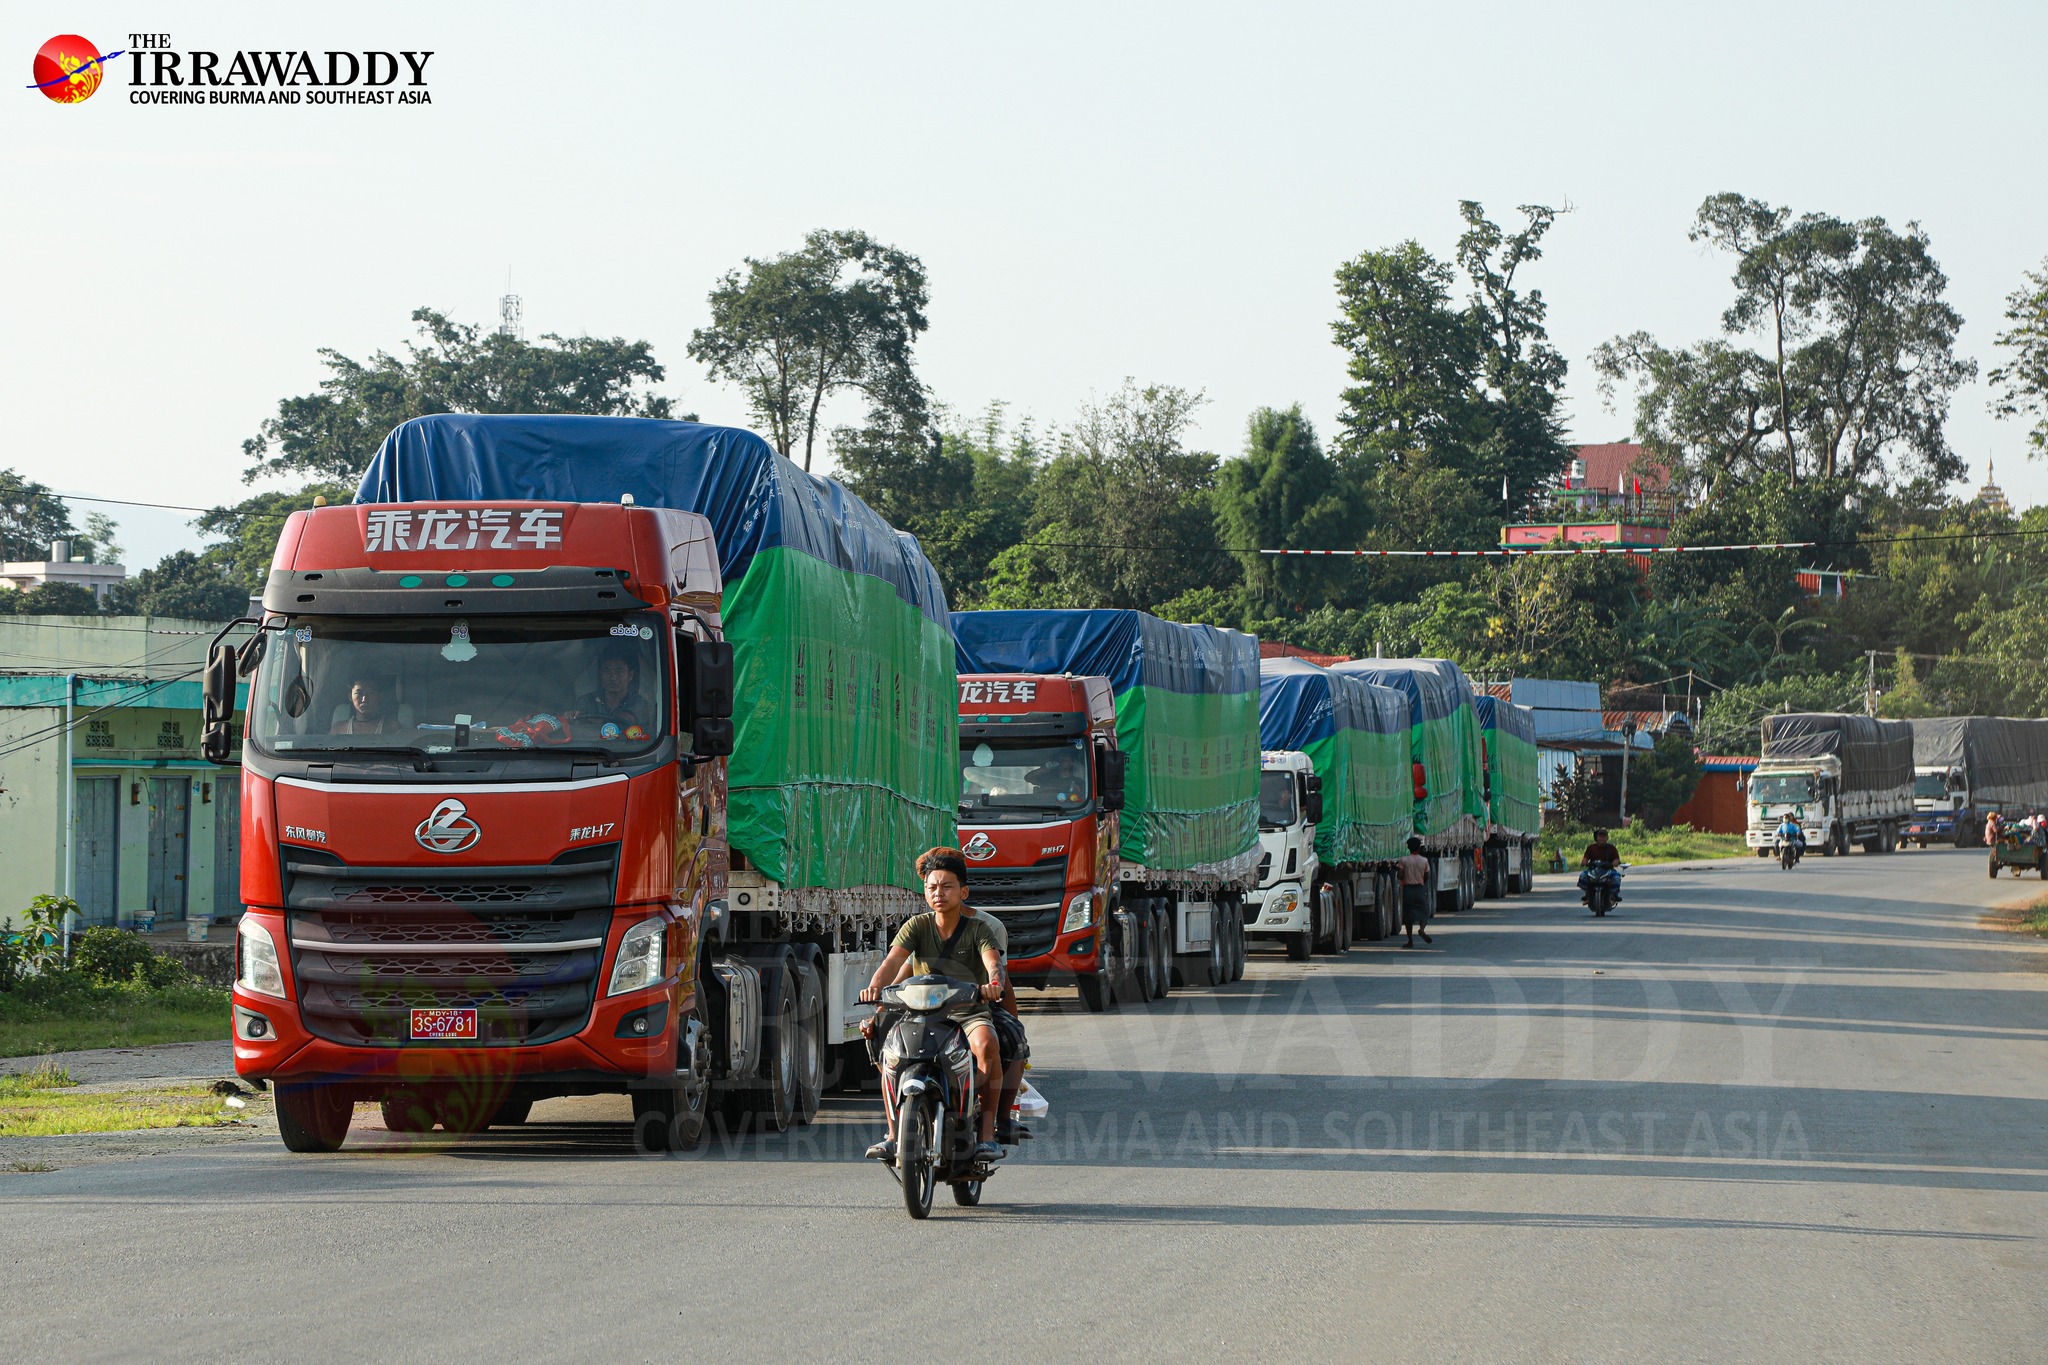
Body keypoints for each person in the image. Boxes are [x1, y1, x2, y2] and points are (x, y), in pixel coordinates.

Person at [859, 847, 1006, 1165]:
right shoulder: (916, 926)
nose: (938, 893)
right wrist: (875, 987)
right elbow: (892, 962)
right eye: (932, 887)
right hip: (919, 1013)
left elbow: (993, 962)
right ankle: (893, 1135)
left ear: (963, 892)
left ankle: (986, 1134)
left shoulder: (979, 929)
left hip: (967, 1012)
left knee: (987, 1043)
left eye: (946, 886)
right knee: (888, 1052)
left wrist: (993, 983)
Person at [570, 645, 644, 731]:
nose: (613, 677)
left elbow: (621, 722)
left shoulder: (639, 703)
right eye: (607, 671)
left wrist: (585, 717)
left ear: (630, 675)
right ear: (600, 674)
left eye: (619, 671)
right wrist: (570, 716)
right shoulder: (585, 702)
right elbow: (574, 728)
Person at [1395, 836, 1433, 948]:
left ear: (1408, 848)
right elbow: (1427, 876)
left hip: (1408, 889)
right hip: (1419, 889)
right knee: (1423, 912)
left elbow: (1400, 875)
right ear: (1419, 848)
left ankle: (1410, 941)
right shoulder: (1424, 860)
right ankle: (1422, 929)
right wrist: (1420, 881)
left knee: (1408, 916)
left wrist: (1402, 875)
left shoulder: (1404, 860)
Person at [1581, 828, 1623, 904]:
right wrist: (1584, 862)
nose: (1601, 838)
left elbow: (1616, 859)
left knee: (1616, 877)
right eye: (1600, 836)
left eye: (1603, 837)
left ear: (1607, 838)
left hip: (1608, 870)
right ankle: (1588, 895)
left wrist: (1615, 863)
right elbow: (1585, 858)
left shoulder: (1611, 848)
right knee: (1583, 876)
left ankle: (1612, 896)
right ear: (1596, 838)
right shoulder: (1591, 848)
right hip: (1593, 870)